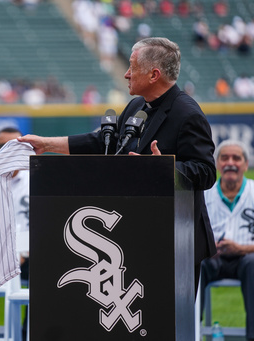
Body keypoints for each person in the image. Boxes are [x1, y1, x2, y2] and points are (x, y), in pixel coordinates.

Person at [18, 37, 217, 293]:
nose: (126, 74)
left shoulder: (188, 114)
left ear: (154, 74)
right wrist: (46, 145)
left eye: (132, 67)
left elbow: (207, 172)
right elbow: (102, 142)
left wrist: (165, 168)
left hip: (176, 240)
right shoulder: (136, 105)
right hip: (133, 233)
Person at [200, 140, 254, 341]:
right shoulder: (204, 194)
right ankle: (190, 331)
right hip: (213, 258)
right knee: (196, 263)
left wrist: (241, 248)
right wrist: (206, 246)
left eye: (236, 158)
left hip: (248, 258)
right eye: (224, 158)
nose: (230, 163)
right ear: (217, 164)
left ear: (246, 164)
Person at [0, 127, 30, 341]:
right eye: (2, 145)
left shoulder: (35, 178)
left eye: (13, 145)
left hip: (30, 253)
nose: (7, 150)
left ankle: (27, 335)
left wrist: (22, 250)